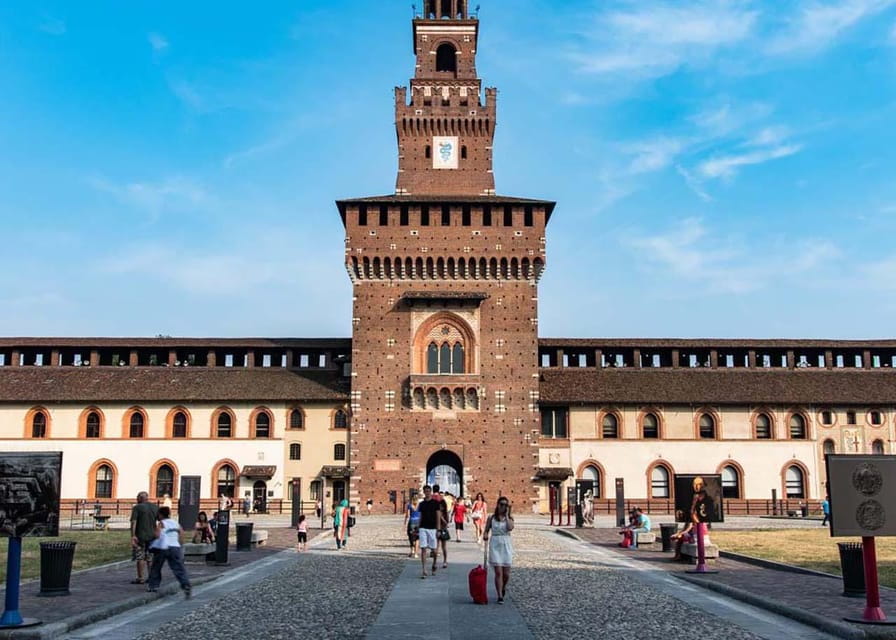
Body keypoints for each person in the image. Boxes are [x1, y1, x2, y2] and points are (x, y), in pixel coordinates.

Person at [146, 506, 191, 598]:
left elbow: (157, 535)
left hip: (163, 547)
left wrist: (152, 538)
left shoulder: (161, 523)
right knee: (178, 568)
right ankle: (185, 584)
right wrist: (179, 544)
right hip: (175, 547)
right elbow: (181, 533)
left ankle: (153, 586)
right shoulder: (175, 523)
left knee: (156, 566)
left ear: (160, 515)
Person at [483, 497, 514, 604]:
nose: (503, 507)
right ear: (497, 505)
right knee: (498, 572)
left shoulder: (509, 519)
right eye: (501, 504)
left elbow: (510, 528)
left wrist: (507, 515)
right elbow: (486, 530)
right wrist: (485, 535)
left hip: (506, 545)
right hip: (495, 544)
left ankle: (503, 587)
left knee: (506, 574)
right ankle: (500, 595)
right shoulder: (491, 518)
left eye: (505, 505)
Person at [129, 491, 159, 585]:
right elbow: (161, 521)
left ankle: (140, 577)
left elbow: (134, 522)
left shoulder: (137, 508)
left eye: (137, 497)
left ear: (140, 498)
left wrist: (133, 535)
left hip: (140, 536)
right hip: (152, 536)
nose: (136, 499)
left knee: (140, 557)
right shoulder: (155, 507)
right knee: (150, 557)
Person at [416, 485, 443, 578]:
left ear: (430, 492)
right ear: (424, 492)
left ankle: (434, 563)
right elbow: (420, 516)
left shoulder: (435, 503)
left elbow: (438, 516)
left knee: (434, 550)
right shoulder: (422, 504)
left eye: (428, 491)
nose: (427, 493)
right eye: (425, 491)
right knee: (423, 548)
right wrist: (418, 527)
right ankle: (424, 569)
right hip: (423, 527)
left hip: (433, 528)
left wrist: (438, 529)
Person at [432, 484, 449, 568]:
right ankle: (445, 561)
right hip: (442, 525)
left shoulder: (431, 499)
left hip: (434, 524)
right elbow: (446, 512)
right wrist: (446, 521)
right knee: (443, 545)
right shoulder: (442, 499)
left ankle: (435, 563)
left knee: (436, 545)